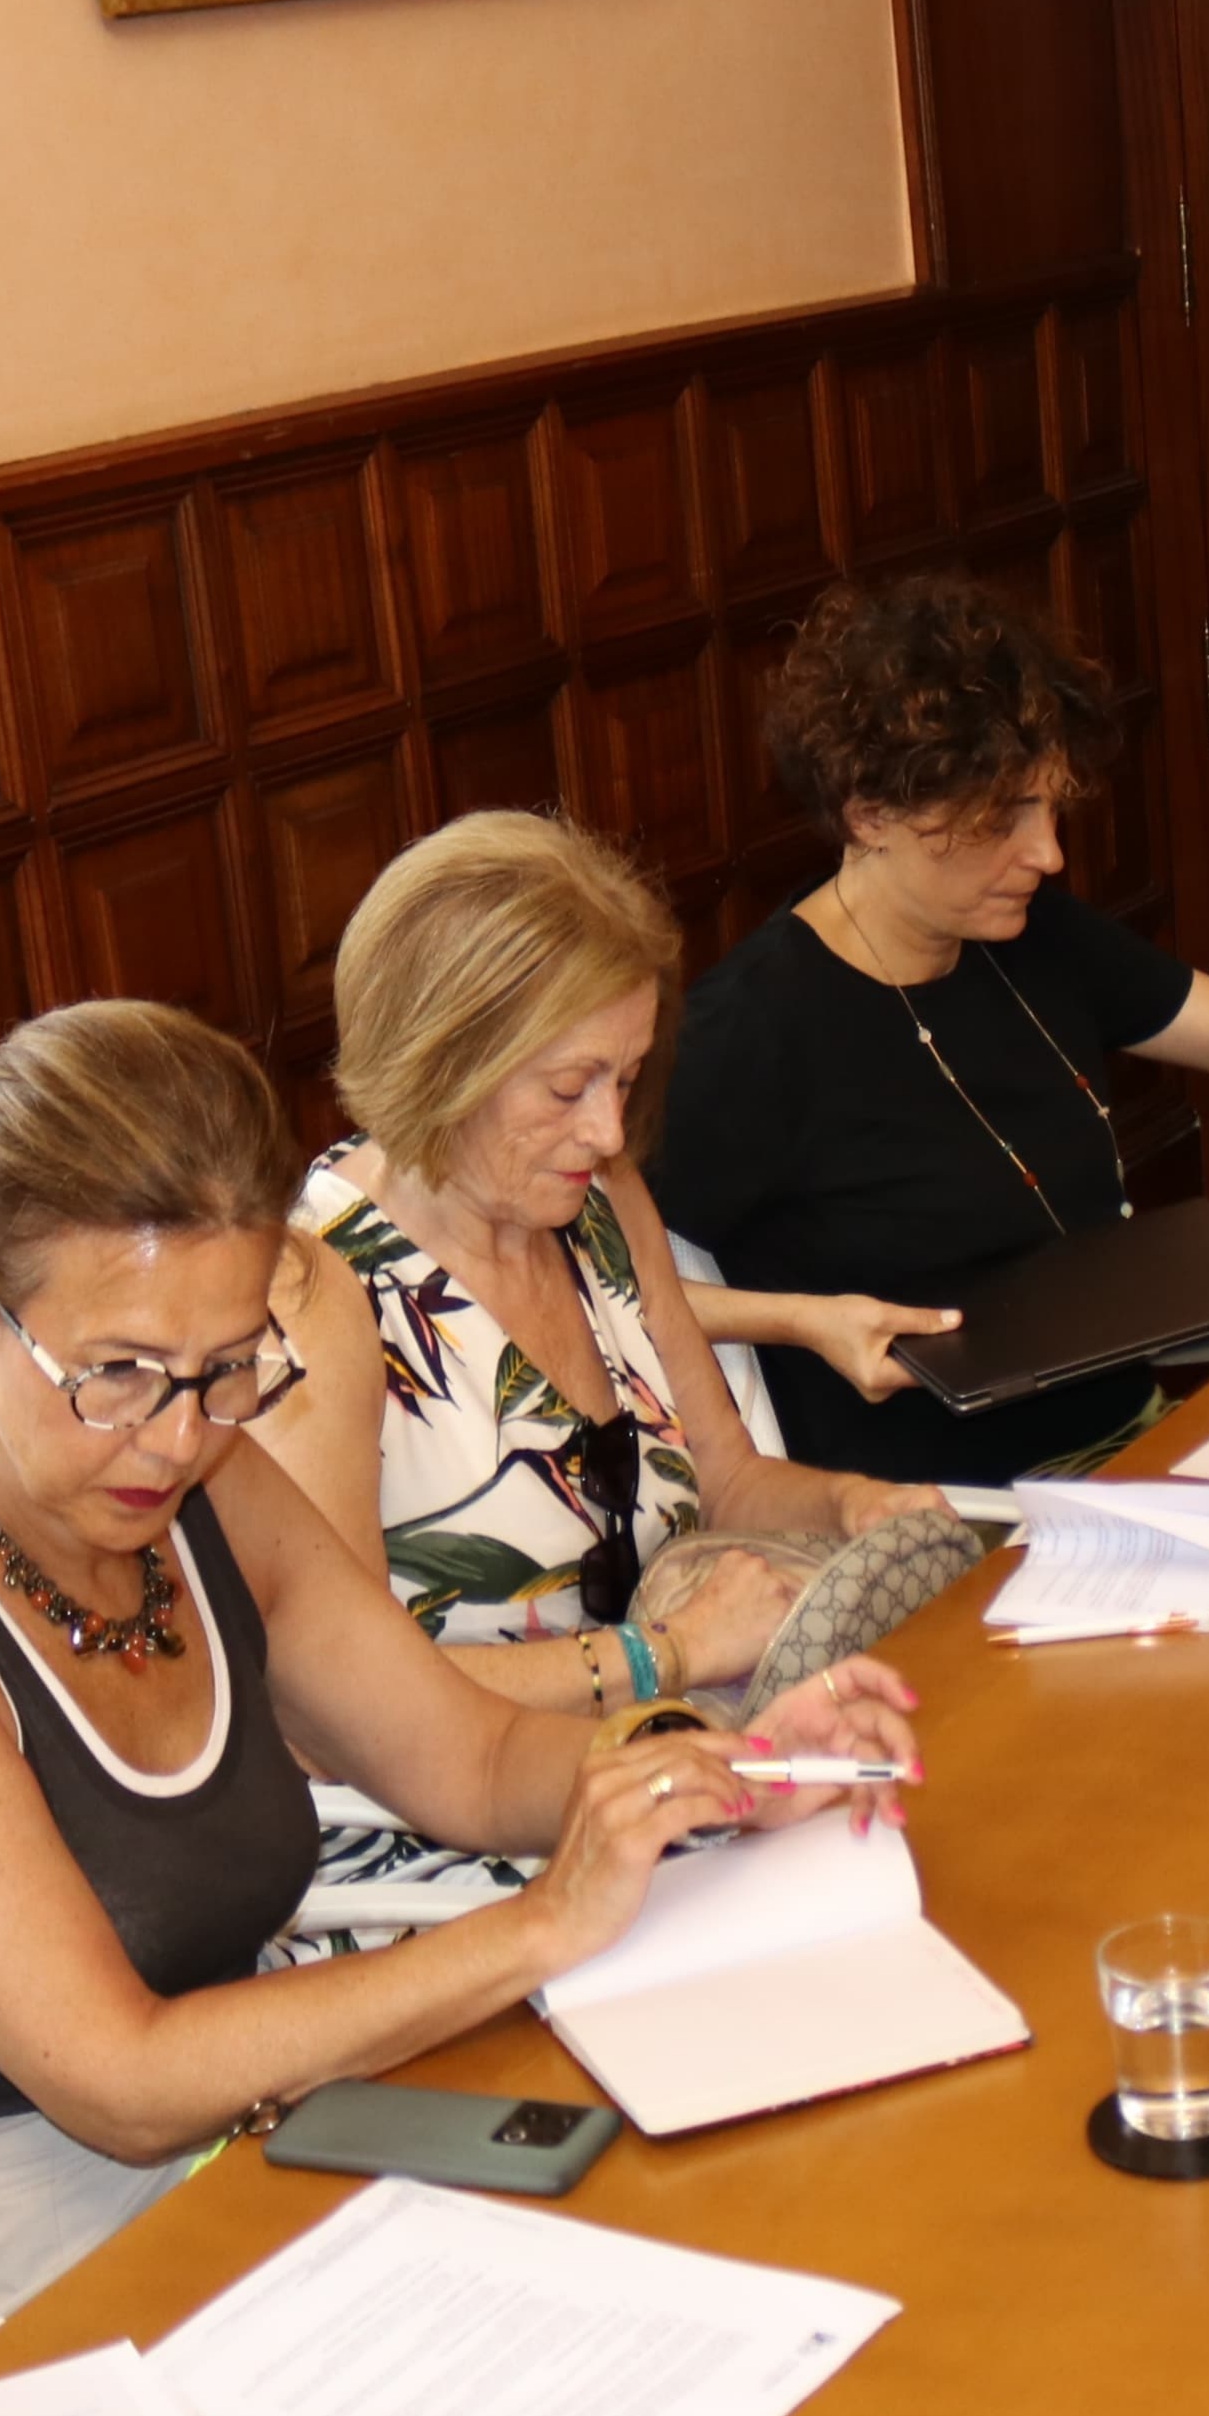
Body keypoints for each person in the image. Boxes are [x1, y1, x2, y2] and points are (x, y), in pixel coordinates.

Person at [0, 1001, 918, 2347]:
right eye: (117, 1373)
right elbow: (120, 2081)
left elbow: (469, 1756)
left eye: (226, 1367)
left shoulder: (208, 1485)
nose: (175, 1436)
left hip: (250, 2181)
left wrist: (724, 1768)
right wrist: (540, 1923)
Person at [255, 812, 957, 1908]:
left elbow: (728, 1480)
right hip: (447, 1870)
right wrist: (666, 1653)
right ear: (443, 1061)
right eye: (568, 1086)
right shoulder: (319, 1300)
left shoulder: (599, 1204)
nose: (608, 1132)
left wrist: (850, 1504)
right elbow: (333, 1715)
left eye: (625, 1078)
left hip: (670, 1783)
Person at [649, 576, 1209, 1483]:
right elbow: (590, 1281)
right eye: (1001, 819)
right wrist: (802, 1320)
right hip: (943, 1503)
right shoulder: (752, 1029)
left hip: (1133, 1440)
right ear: (871, 815)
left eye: (1048, 806)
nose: (1048, 853)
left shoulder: (1031, 935)